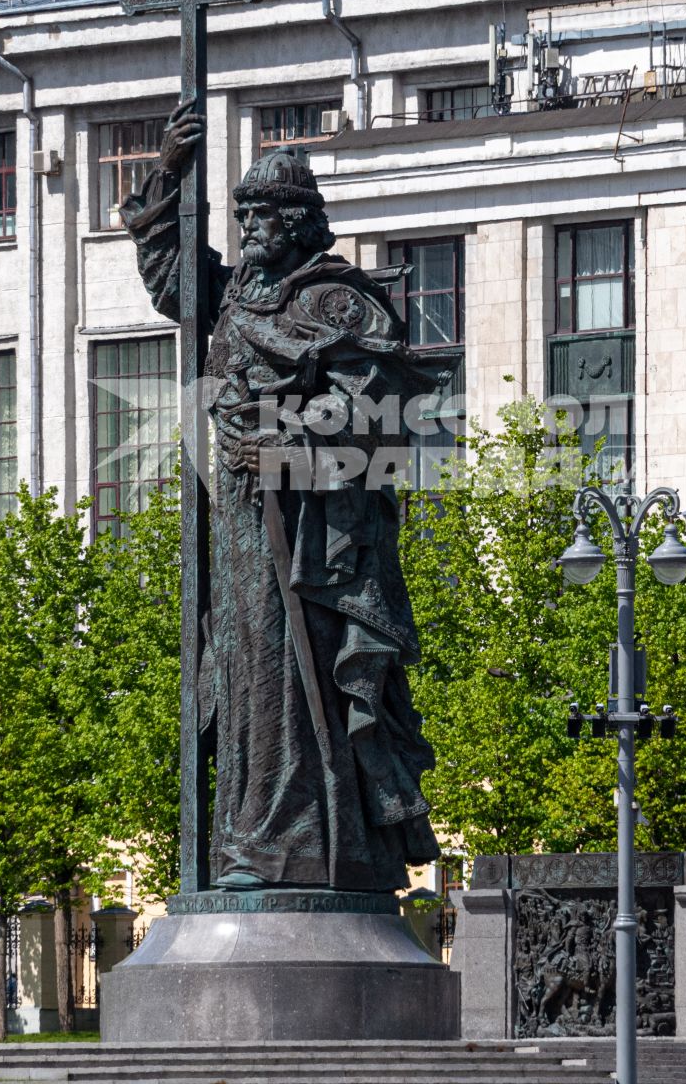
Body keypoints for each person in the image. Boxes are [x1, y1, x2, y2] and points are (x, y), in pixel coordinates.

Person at [118, 100, 443, 892]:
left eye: (265, 213)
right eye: (241, 213)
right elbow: (169, 277)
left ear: (303, 222)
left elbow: (379, 417)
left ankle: (292, 850)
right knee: (237, 671)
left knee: (292, 680)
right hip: (233, 515)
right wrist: (168, 174)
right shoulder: (233, 298)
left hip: (307, 535)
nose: (250, 225)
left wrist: (287, 447)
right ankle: (247, 837)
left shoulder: (336, 302)